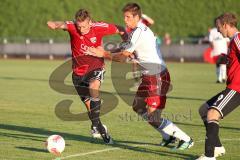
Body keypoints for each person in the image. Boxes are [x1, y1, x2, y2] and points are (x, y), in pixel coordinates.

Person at [87, 2, 194, 150]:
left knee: (153, 115)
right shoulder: (139, 30)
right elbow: (126, 48)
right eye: (124, 16)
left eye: (128, 17)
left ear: (137, 17)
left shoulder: (138, 31)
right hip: (148, 76)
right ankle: (167, 137)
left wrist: (103, 54)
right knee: (138, 106)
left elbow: (124, 57)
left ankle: (186, 139)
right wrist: (104, 50)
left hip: (157, 75)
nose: (125, 20)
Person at [47, 9, 126, 144]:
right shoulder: (73, 27)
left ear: (90, 22)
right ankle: (101, 129)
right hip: (78, 74)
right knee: (91, 111)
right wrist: (55, 24)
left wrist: (127, 44)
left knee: (93, 87)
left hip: (96, 68)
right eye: (79, 26)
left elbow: (120, 29)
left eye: (84, 26)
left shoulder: (99, 27)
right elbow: (63, 25)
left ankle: (98, 128)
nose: (81, 29)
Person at [197, 13, 240, 160]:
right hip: (232, 87)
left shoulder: (238, 38)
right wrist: (226, 59)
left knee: (212, 114)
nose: (218, 30)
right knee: (204, 110)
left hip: (237, 88)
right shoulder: (233, 41)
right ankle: (217, 147)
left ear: (226, 25)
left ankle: (209, 156)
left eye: (219, 27)